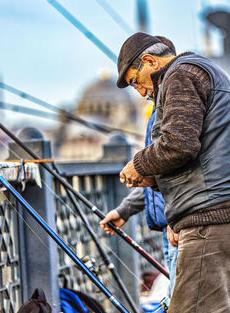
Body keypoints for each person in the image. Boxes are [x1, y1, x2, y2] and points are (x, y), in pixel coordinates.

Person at [100, 32, 230, 312]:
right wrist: (155, 179)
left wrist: (139, 164)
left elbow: (179, 144)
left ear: (149, 61)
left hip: (209, 221)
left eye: (135, 81)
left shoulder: (180, 75)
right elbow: (201, 153)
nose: (141, 92)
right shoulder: (200, 72)